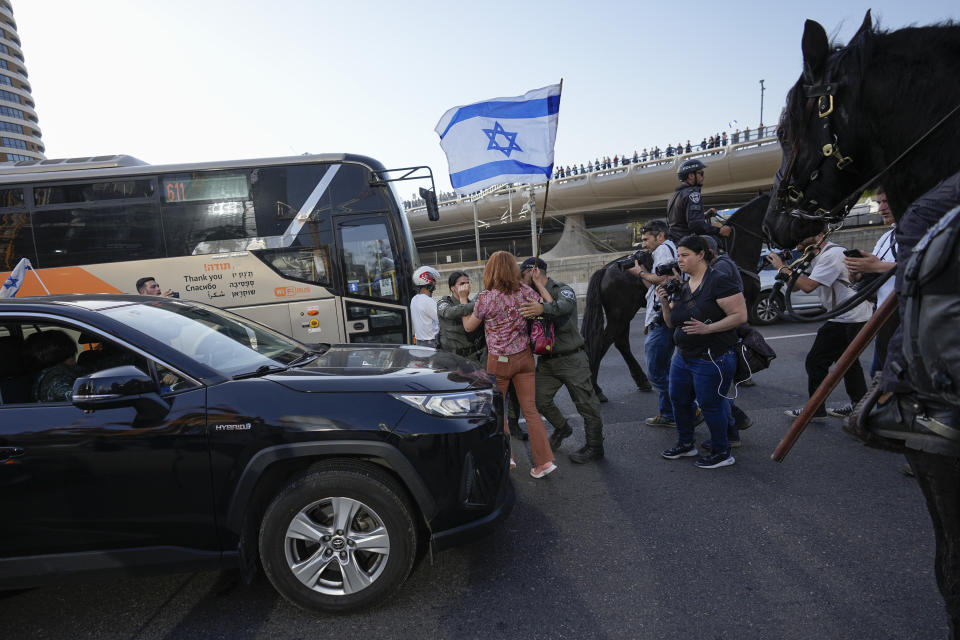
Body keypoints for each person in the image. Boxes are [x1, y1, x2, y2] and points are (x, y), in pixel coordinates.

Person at [462, 251, 556, 479]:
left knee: (498, 410)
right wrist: (536, 282)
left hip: (499, 362)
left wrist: (464, 301)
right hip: (524, 358)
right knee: (531, 410)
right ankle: (544, 462)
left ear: (490, 271)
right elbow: (550, 304)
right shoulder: (524, 292)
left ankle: (508, 457)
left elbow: (469, 327)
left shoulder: (486, 297)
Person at [657, 235, 747, 468]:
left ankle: (722, 451)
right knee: (679, 400)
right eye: (679, 255)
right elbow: (671, 323)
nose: (680, 260)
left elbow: (740, 316)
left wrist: (708, 328)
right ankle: (686, 444)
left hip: (712, 358)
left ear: (701, 254)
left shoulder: (719, 281)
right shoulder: (684, 285)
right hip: (683, 356)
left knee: (710, 405)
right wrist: (665, 303)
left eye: (685, 255)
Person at [766, 233, 874, 419]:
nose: (797, 239)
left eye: (803, 233)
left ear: (819, 235)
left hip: (850, 316)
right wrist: (786, 270)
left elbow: (808, 286)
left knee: (817, 361)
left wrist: (782, 267)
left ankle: (816, 409)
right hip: (846, 315)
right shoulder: (814, 256)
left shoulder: (832, 254)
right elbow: (798, 286)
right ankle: (858, 406)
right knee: (848, 363)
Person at [518, 257, 605, 464]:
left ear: (534, 272)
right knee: (539, 400)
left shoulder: (561, 289)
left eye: (524, 276)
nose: (522, 281)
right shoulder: (530, 294)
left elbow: (563, 307)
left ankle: (595, 447)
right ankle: (562, 428)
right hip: (547, 361)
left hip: (571, 358)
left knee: (587, 404)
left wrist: (542, 305)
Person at [627, 220, 680, 427]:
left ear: (660, 236)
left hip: (662, 319)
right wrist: (641, 273)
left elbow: (664, 279)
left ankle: (690, 408)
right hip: (659, 317)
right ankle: (668, 414)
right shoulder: (667, 250)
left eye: (646, 239)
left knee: (656, 373)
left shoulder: (663, 251)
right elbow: (654, 285)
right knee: (663, 369)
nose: (643, 244)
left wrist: (639, 273)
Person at [845, 188, 897, 376]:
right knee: (879, 374)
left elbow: (921, 266)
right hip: (883, 316)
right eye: (879, 202)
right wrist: (858, 273)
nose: (882, 207)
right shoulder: (886, 237)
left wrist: (876, 266)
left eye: (887, 202)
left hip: (903, 319)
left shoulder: (920, 231)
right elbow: (876, 270)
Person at [666, 159, 732, 243]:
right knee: (719, 247)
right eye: (701, 173)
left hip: (677, 241)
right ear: (691, 176)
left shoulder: (673, 196)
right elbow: (696, 225)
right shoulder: (693, 194)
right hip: (689, 243)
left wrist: (705, 215)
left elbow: (681, 221)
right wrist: (719, 230)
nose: (703, 177)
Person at [24, 330, 82, 403]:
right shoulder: (57, 380)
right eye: (71, 353)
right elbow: (82, 399)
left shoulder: (42, 375)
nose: (74, 358)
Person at [410, 266, 440, 348]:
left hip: (420, 342)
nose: (435, 282)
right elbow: (441, 318)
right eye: (433, 280)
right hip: (431, 342)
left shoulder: (414, 299)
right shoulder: (427, 301)